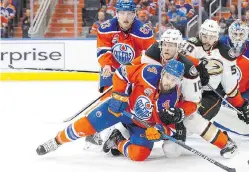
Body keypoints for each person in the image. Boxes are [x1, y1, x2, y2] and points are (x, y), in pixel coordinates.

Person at [109, 29, 238, 159]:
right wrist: (127, 69)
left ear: (179, 48)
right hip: (150, 101)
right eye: (165, 44)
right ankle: (121, 131)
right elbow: (133, 67)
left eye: (171, 45)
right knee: (125, 99)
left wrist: (180, 113)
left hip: (171, 107)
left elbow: (193, 103)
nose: (166, 48)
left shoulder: (187, 70)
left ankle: (225, 142)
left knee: (174, 149)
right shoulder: (154, 52)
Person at [36, 60, 187, 162]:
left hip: (141, 125)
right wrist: (119, 95)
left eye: (174, 80)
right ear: (163, 73)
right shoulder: (149, 71)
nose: (169, 82)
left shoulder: (174, 99)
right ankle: (56, 141)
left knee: (139, 155)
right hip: (122, 109)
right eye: (167, 77)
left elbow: (172, 129)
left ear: (179, 81)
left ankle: (117, 141)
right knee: (87, 125)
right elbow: (122, 73)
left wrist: (159, 131)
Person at [86, 0, 156, 146]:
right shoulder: (106, 28)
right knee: (108, 100)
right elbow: (103, 49)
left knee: (132, 104)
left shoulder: (144, 31)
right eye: (122, 13)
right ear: (116, 14)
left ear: (134, 14)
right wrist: (106, 65)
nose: (126, 17)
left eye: (130, 13)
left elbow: (150, 56)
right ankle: (95, 130)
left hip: (134, 72)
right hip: (112, 70)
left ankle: (119, 132)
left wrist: (133, 71)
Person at [179, 19, 249, 125]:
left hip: (210, 94)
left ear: (217, 37)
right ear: (200, 33)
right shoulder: (190, 45)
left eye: (211, 37)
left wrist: (241, 105)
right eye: (204, 36)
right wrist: (198, 66)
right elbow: (178, 59)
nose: (207, 41)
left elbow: (230, 87)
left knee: (192, 121)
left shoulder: (225, 54)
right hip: (187, 90)